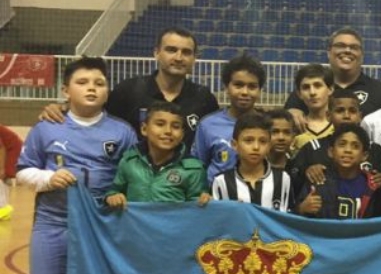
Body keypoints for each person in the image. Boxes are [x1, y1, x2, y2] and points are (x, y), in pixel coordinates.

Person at [15, 56, 138, 274]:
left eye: (99, 83)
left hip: (102, 230)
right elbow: (22, 171)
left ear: (108, 91)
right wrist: (47, 178)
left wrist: (119, 196)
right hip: (53, 227)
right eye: (83, 82)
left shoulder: (122, 132)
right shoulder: (46, 128)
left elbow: (133, 177)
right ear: (65, 90)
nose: (91, 88)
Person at [39, 27, 219, 150]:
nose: (179, 57)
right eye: (171, 50)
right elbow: (95, 115)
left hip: (184, 185)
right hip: (134, 184)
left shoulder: (204, 98)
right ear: (156, 53)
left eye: (186, 52)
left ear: (194, 58)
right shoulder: (129, 90)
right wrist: (63, 107)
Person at [105, 101, 209, 209]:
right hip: (135, 221)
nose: (168, 131)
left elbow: (197, 208)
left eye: (176, 126)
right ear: (144, 129)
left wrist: (204, 201)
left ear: (182, 134)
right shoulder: (129, 161)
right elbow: (114, 190)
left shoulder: (193, 169)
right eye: (160, 124)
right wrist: (112, 196)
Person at [288, 88, 381, 199]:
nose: (346, 115)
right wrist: (306, 172)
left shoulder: (374, 149)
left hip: (364, 208)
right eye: (340, 111)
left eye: (352, 111)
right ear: (328, 116)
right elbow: (293, 184)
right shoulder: (311, 149)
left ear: (360, 116)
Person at [284, 27, 381, 127]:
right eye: (340, 46)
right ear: (329, 52)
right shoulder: (310, 89)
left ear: (362, 55)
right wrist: (291, 112)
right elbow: (286, 118)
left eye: (354, 47)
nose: (347, 50)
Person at [296, 123, 381, 219]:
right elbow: (295, 216)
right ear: (331, 152)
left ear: (364, 156)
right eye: (342, 144)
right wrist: (301, 209)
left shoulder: (372, 184)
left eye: (355, 146)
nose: (348, 150)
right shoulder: (318, 180)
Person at [193, 54, 265, 181]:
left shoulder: (267, 124)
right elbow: (197, 167)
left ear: (259, 90)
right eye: (238, 85)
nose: (245, 92)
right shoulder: (208, 125)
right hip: (216, 193)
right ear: (226, 87)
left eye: (252, 87)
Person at [210, 111, 294, 212]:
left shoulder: (283, 179)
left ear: (269, 146)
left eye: (262, 141)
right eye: (248, 140)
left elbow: (289, 217)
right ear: (234, 145)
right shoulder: (221, 181)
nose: (256, 147)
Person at [290, 63, 334, 152]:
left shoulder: (339, 126)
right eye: (306, 87)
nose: (312, 92)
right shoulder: (293, 128)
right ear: (299, 94)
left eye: (318, 86)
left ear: (330, 89)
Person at [0, 124, 22, 221]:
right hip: (7, 148)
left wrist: (1, 168)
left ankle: (3, 209)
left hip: (12, 149)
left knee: (3, 175)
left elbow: (1, 149)